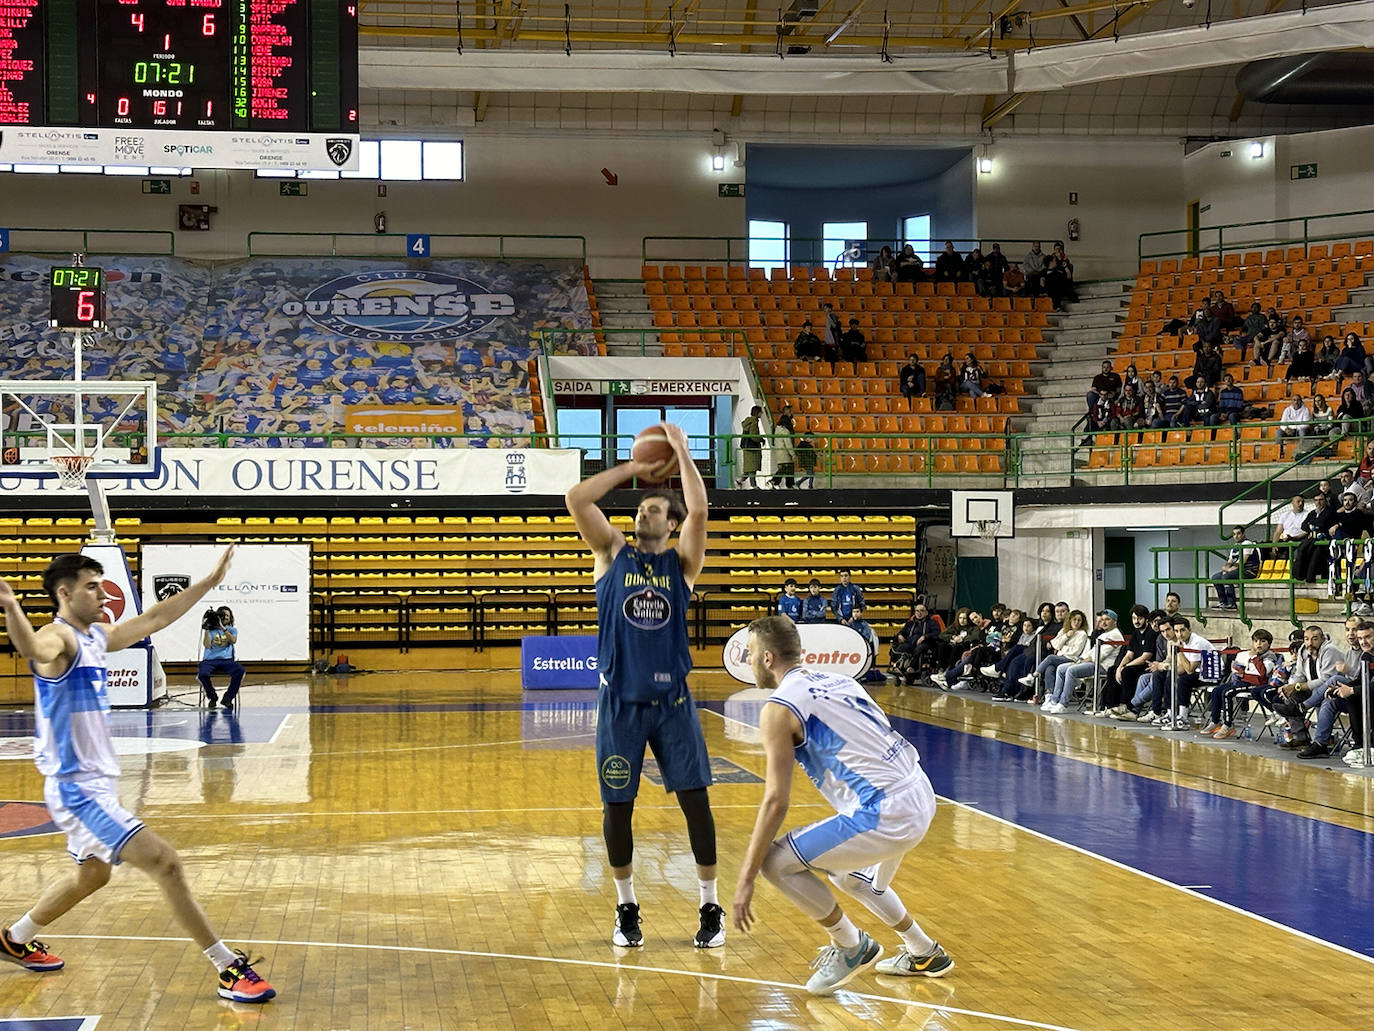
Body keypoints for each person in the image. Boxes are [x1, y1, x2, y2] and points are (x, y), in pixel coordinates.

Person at [0, 549, 276, 1003]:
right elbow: (32, 648)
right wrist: (12, 608)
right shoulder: (59, 637)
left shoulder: (94, 637)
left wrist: (208, 583)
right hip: (79, 791)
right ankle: (228, 968)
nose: (102, 592)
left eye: (101, 583)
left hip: (97, 784)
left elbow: (155, 619)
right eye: (92, 585)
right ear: (65, 593)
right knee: (166, 863)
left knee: (92, 876)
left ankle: (14, 937)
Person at [731, 615, 952, 997]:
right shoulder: (842, 680)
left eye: (749, 653)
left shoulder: (779, 708)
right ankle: (925, 952)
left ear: (767, 659)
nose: (748, 660)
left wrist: (747, 876)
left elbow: (775, 801)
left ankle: (850, 945)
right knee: (851, 876)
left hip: (886, 810)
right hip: (919, 787)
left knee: (775, 862)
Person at [563, 423, 723, 950]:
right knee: (618, 806)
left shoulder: (682, 565)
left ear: (671, 522)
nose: (642, 513)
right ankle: (626, 907)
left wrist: (680, 452)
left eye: (654, 509)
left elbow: (700, 511)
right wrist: (634, 468)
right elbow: (576, 497)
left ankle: (709, 906)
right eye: (641, 509)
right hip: (620, 704)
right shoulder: (611, 553)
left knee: (696, 802)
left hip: (673, 703)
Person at [197, 605, 245, 710]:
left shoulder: (232, 630)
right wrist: (206, 629)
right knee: (202, 674)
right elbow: (207, 645)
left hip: (227, 660)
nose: (226, 617)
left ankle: (227, 698)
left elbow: (233, 640)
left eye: (228, 615)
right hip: (210, 660)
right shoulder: (210, 630)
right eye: (224, 615)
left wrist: (223, 629)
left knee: (240, 671)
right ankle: (212, 697)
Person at [1212, 525, 1259, 610]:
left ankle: (1232, 603)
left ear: (1243, 534)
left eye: (1238, 534)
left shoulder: (1247, 544)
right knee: (1215, 578)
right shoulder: (1235, 546)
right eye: (1234, 534)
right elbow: (1230, 561)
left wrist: (1229, 570)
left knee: (1226, 577)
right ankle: (1223, 602)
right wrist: (1226, 568)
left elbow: (1242, 561)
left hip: (1249, 571)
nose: (1236, 536)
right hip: (1236, 570)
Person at [738, 405, 764, 489]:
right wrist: (761, 439)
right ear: (757, 413)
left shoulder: (748, 422)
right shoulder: (754, 422)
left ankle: (739, 481)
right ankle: (753, 485)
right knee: (752, 468)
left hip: (747, 447)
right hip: (752, 448)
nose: (762, 413)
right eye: (760, 412)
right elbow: (754, 436)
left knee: (748, 469)